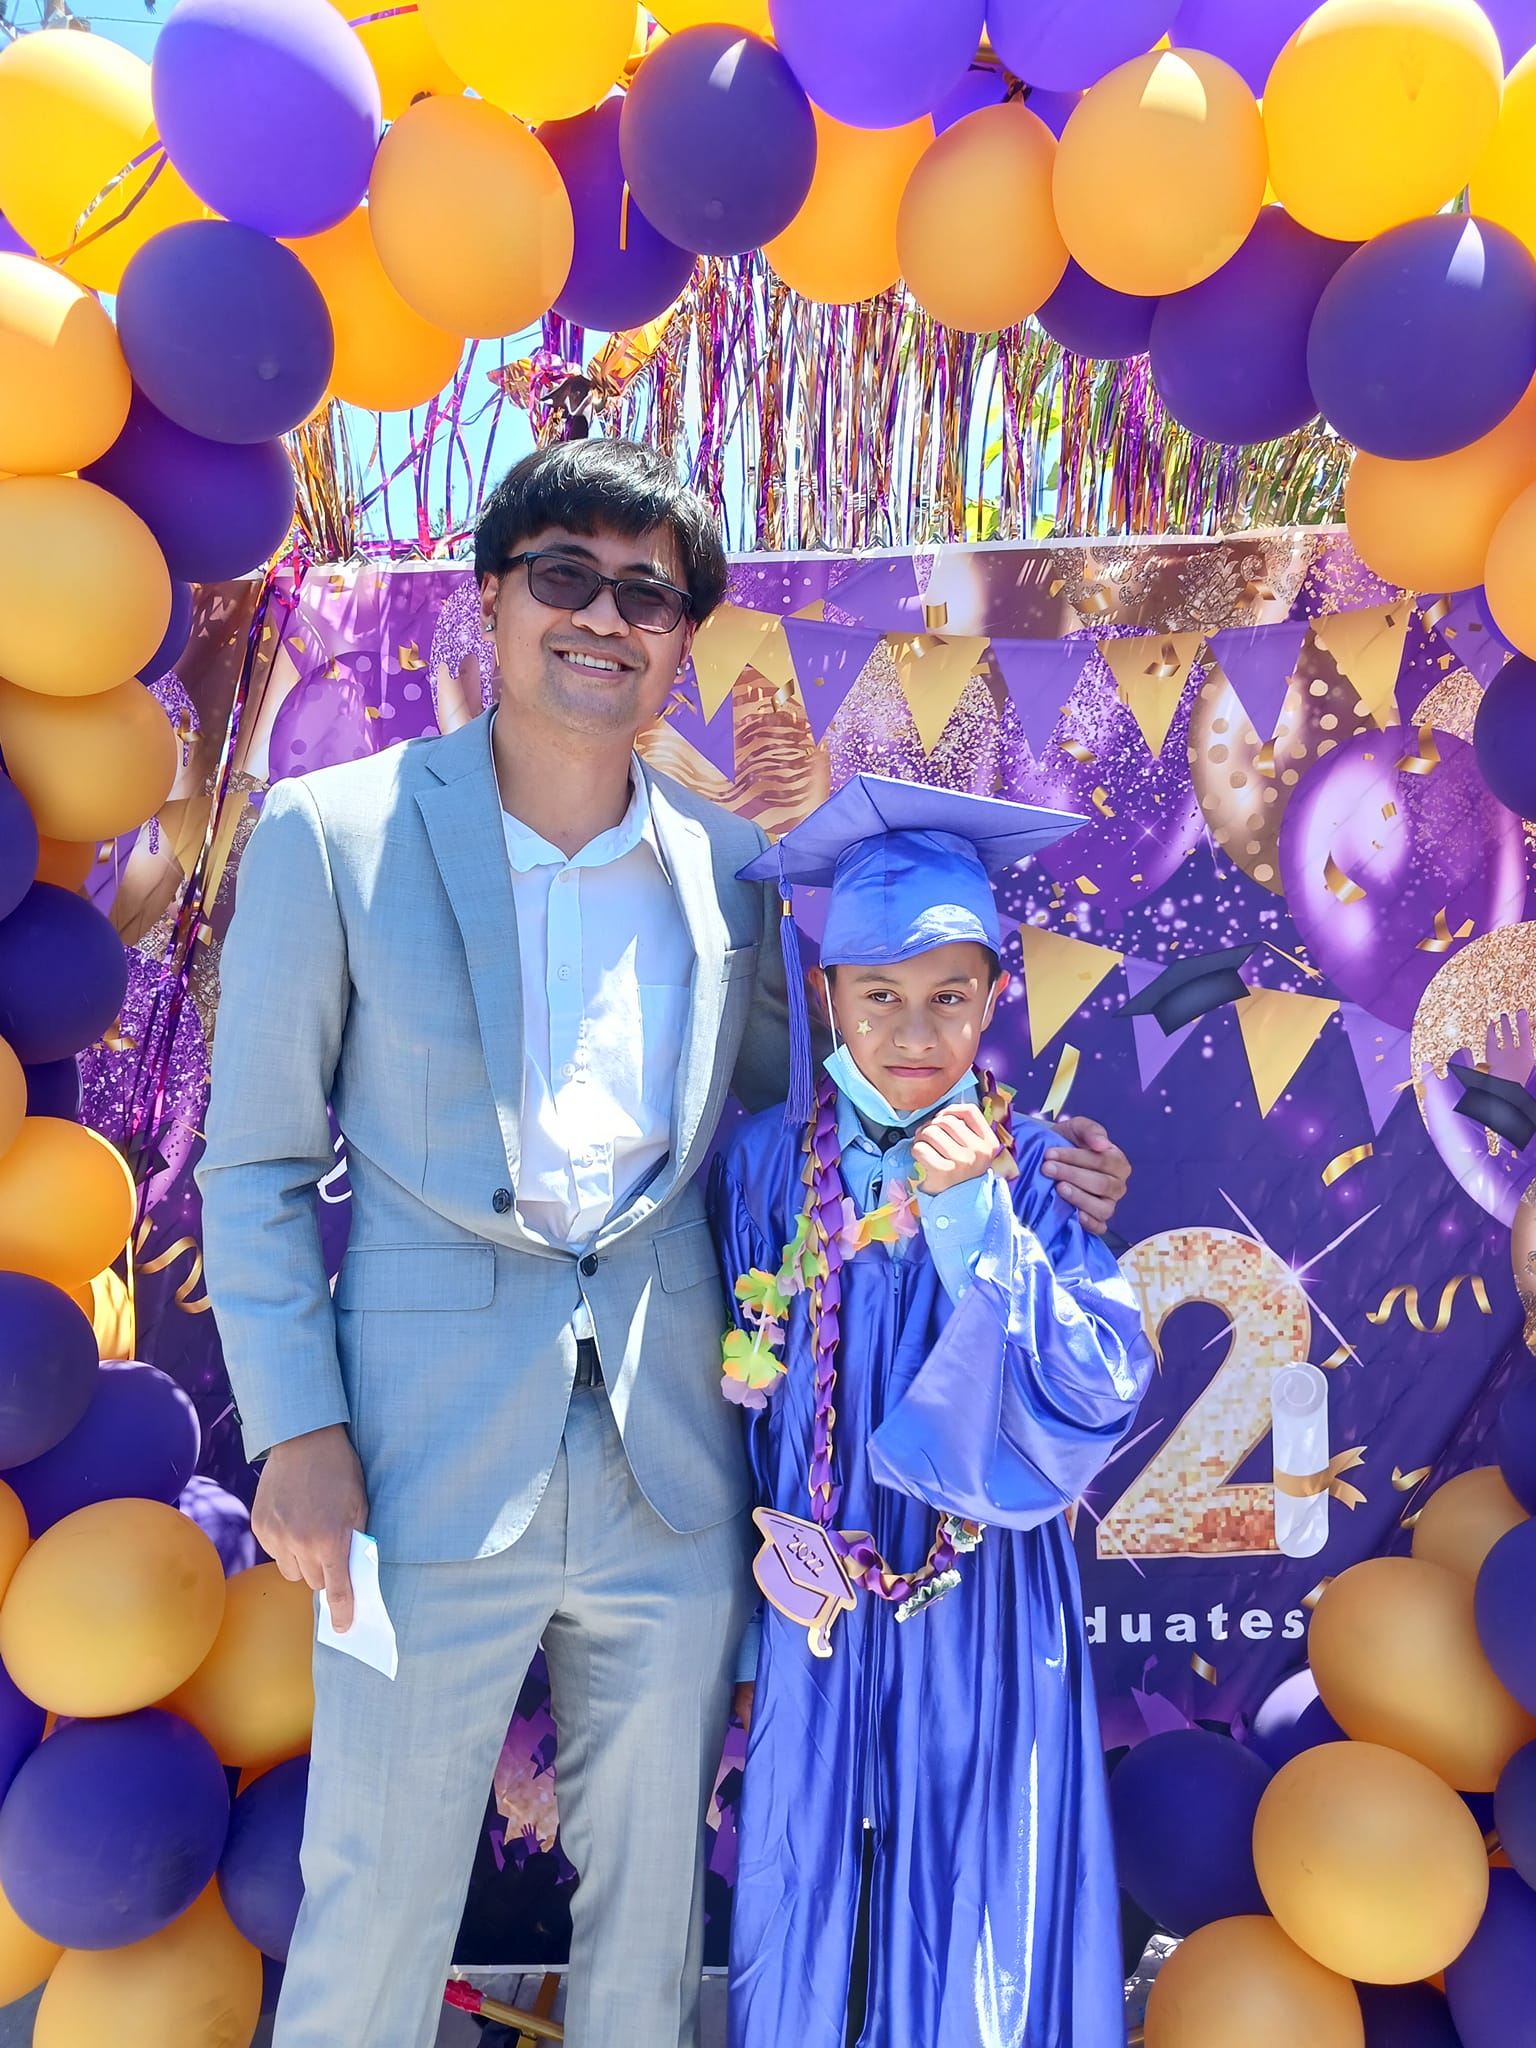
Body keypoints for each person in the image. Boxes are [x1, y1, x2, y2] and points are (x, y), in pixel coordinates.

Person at [196, 438, 1134, 2048]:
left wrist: (1033, 1165)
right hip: (414, 1466)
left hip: (675, 1472)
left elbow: (829, 1130)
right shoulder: (332, 833)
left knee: (651, 1929)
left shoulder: (729, 872)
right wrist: (297, 1431)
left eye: (648, 593)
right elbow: (261, 1166)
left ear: (683, 638)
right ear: (492, 600)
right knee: (375, 1906)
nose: (602, 617)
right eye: (564, 575)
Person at [713, 775, 1155, 2048]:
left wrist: (976, 1225)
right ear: (827, 996)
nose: (914, 1032)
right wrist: (745, 1633)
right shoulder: (764, 1163)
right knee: (805, 1881)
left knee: (976, 1886)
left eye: (950, 996)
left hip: (985, 1599)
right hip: (814, 1588)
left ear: (995, 994)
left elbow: (1098, 1383)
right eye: (879, 996)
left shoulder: (1040, 1166)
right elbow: (735, 1405)